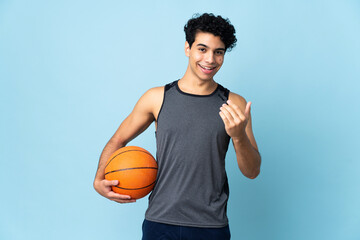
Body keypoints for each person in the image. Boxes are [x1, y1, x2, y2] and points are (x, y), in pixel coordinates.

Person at [93, 13, 261, 240]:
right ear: (187, 48)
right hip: (160, 221)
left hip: (211, 225)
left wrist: (239, 137)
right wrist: (99, 178)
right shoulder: (156, 98)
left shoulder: (235, 103)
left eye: (218, 52)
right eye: (202, 49)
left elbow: (252, 172)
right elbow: (118, 140)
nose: (210, 59)